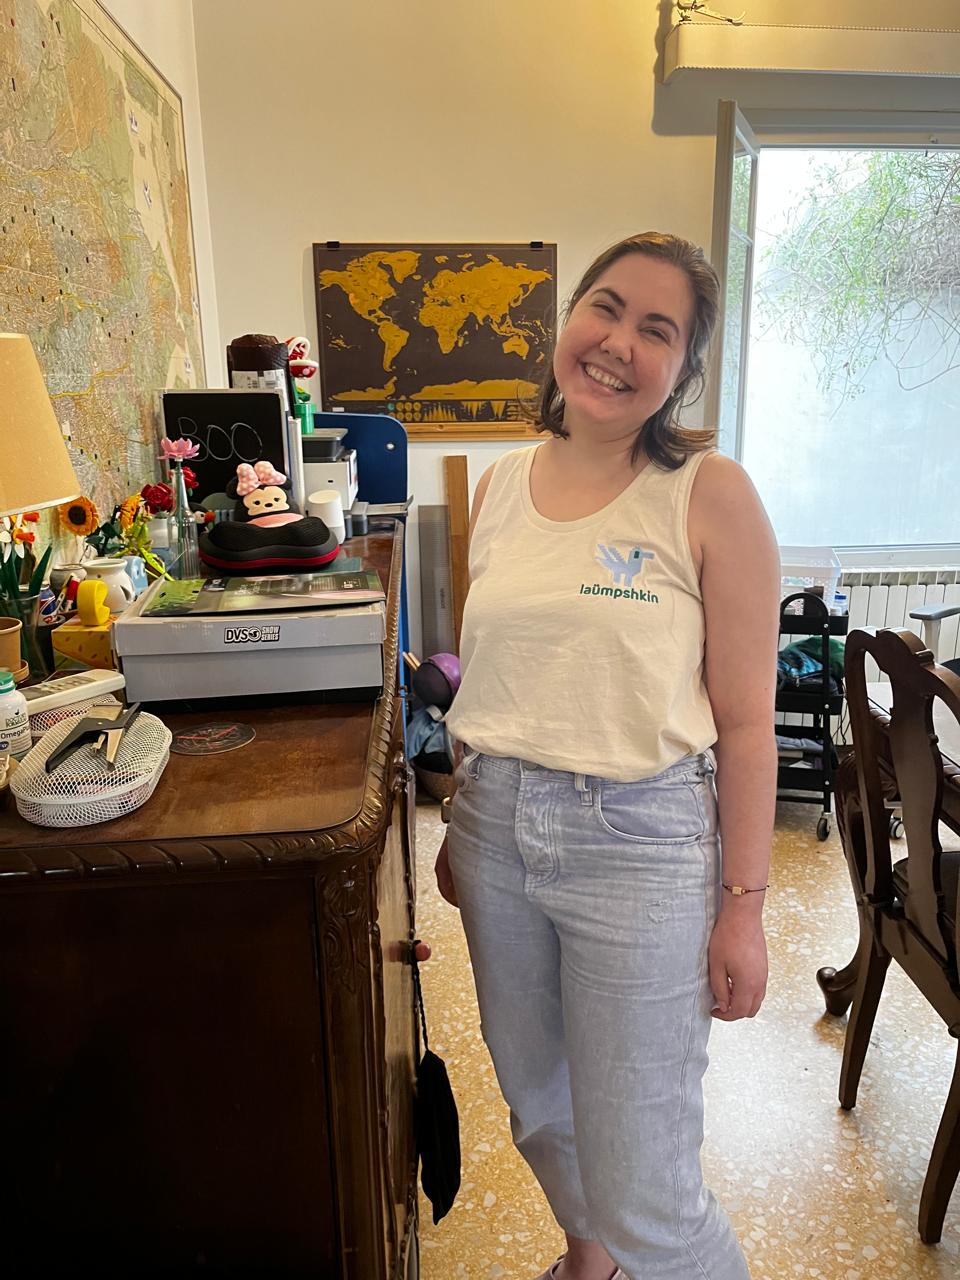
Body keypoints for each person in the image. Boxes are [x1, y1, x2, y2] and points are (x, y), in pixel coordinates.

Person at [436, 231, 780, 1280]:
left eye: (657, 329)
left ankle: (628, 1247)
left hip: (641, 841)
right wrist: (461, 817)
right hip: (494, 827)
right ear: (566, 319)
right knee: (540, 1104)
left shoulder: (709, 492)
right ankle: (591, 1258)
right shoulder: (498, 486)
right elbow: (488, 670)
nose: (618, 342)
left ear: (682, 370)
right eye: (607, 306)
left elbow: (748, 720)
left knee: (650, 1193)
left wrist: (744, 905)